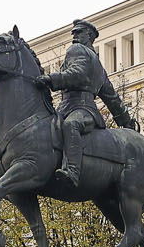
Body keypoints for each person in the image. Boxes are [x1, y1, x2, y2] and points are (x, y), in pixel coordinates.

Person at [36, 19, 138, 187]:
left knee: (71, 125)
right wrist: (126, 122)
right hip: (65, 108)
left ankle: (73, 171)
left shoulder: (77, 50)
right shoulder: (97, 65)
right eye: (73, 33)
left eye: (78, 32)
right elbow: (112, 98)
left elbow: (78, 74)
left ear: (89, 35)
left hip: (83, 109)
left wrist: (50, 78)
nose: (74, 36)